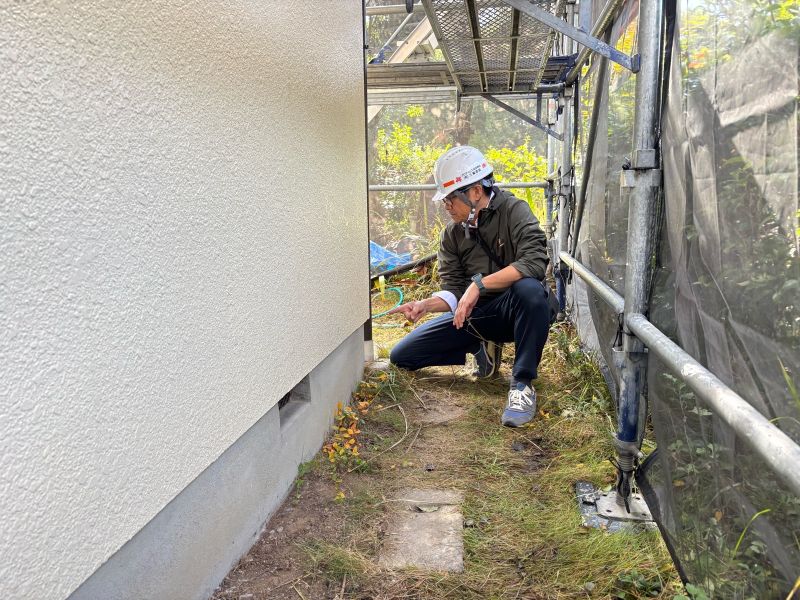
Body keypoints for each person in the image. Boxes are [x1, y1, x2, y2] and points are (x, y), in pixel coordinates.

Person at [388, 145, 552, 427]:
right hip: (479, 316)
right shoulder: (452, 234)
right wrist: (426, 305)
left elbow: (534, 262)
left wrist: (478, 285)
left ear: (475, 192)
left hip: (518, 311)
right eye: (444, 200)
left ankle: (522, 384)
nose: (446, 206)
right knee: (402, 355)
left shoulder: (513, 210)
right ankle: (482, 346)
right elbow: (453, 288)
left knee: (530, 290)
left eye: (451, 198)